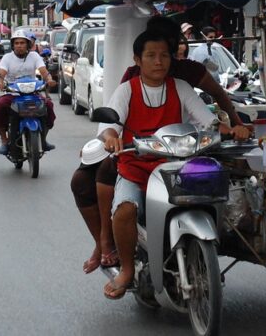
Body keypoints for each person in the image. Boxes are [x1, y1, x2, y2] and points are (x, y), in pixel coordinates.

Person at [98, 30, 249, 299]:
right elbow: (109, 126)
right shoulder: (127, 90)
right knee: (124, 210)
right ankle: (127, 270)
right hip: (136, 168)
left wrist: (231, 129)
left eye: (164, 56)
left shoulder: (180, 87)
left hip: (175, 166)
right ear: (137, 60)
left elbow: (207, 121)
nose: (159, 61)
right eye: (151, 56)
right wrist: (111, 137)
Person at [0, 30, 57, 154]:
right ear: (13, 45)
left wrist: (49, 80)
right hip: (13, 93)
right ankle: (4, 140)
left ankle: (43, 139)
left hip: (32, 92)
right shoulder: (7, 58)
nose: (19, 45)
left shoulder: (34, 56)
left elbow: (44, 72)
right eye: (16, 43)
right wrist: (0, 82)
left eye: (22, 43)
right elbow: (0, 75)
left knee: (48, 105)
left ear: (28, 44)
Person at [70, 139, 118, 273]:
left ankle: (105, 242)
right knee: (80, 180)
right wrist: (109, 139)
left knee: (107, 167)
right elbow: (108, 132)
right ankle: (102, 242)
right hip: (118, 150)